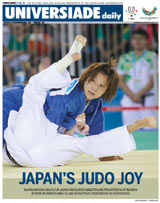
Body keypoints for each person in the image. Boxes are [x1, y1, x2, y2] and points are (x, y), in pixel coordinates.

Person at [3, 35, 156, 167]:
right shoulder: (69, 95)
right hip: (18, 107)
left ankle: (70, 57)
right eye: (93, 81)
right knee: (36, 88)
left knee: (37, 89)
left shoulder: (94, 102)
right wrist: (62, 135)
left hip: (29, 150)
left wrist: (103, 154)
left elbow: (96, 134)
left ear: (106, 91)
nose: (95, 88)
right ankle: (70, 57)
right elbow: (50, 126)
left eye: (101, 86)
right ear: (86, 77)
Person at [117, 29, 158, 126]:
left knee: (150, 131)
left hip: (148, 99)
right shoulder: (125, 58)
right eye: (135, 38)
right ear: (131, 41)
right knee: (129, 132)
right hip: (129, 99)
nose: (138, 41)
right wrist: (132, 95)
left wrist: (138, 94)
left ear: (146, 41)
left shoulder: (153, 56)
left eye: (141, 38)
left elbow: (154, 80)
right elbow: (121, 80)